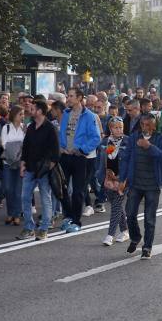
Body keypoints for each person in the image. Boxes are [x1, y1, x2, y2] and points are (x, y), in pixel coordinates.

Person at [119, 113, 162, 260]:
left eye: (148, 125)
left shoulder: (160, 138)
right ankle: (135, 237)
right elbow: (126, 158)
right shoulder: (134, 137)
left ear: (154, 126)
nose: (145, 128)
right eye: (142, 124)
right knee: (130, 214)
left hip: (153, 184)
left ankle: (147, 247)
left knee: (149, 218)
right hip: (136, 183)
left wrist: (150, 147)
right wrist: (122, 179)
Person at [58, 87, 100, 233]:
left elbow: (96, 138)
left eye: (70, 96)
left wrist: (81, 149)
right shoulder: (65, 113)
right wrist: (60, 147)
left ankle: (76, 221)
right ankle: (68, 216)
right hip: (65, 156)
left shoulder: (89, 116)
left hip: (80, 158)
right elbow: (61, 133)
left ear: (79, 98)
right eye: (67, 96)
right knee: (61, 188)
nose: (68, 98)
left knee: (78, 191)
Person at [19, 100, 59, 241]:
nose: (30, 110)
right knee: (25, 197)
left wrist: (49, 168)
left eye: (33, 108)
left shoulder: (50, 128)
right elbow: (26, 147)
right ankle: (29, 227)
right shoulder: (31, 127)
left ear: (40, 111)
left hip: (43, 170)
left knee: (45, 199)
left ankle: (44, 229)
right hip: (30, 168)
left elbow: (55, 152)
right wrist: (23, 164)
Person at [100, 117, 129, 246]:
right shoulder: (107, 141)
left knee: (116, 206)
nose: (119, 130)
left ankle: (110, 235)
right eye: (116, 127)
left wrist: (122, 178)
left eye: (121, 127)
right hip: (108, 178)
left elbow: (130, 163)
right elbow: (102, 161)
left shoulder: (128, 141)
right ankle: (125, 231)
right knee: (116, 207)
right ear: (111, 128)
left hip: (123, 179)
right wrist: (102, 174)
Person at [0, 105, 25, 226]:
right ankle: (10, 213)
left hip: (21, 162)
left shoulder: (24, 128)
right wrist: (14, 152)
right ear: (14, 115)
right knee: (8, 189)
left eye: (23, 114)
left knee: (18, 190)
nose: (22, 116)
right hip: (8, 162)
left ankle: (16, 214)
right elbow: (4, 143)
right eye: (20, 114)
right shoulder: (6, 127)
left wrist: (19, 154)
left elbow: (26, 144)